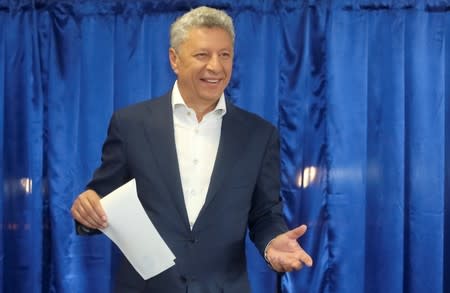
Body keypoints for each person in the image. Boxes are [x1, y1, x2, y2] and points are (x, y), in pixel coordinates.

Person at [70, 6, 312, 293]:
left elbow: (265, 213)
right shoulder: (131, 125)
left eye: (225, 55)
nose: (216, 66)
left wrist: (273, 243)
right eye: (202, 55)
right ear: (174, 59)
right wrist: (88, 206)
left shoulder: (259, 135)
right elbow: (102, 198)